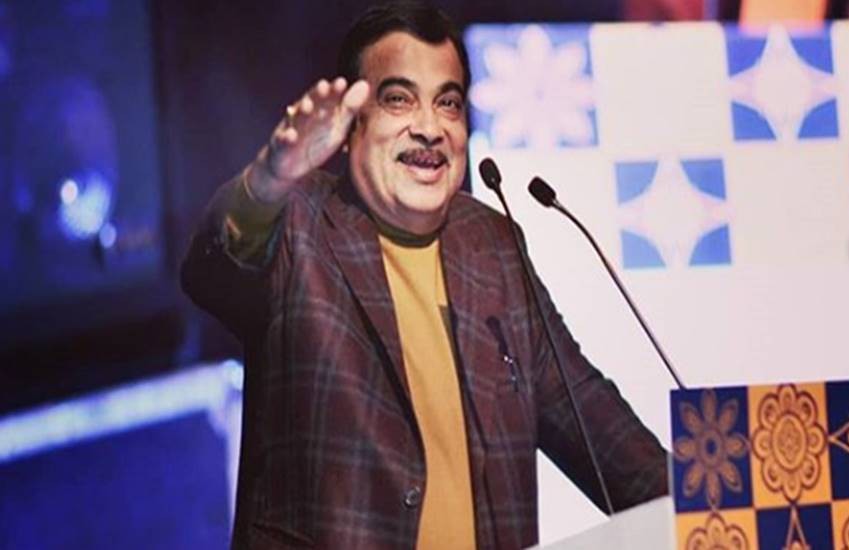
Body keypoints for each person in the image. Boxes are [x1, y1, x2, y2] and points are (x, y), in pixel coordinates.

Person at [181, 1, 668, 548]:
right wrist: (268, 180)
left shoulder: (494, 245)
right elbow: (210, 273)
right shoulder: (300, 220)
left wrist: (713, 506)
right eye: (399, 99)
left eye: (448, 103)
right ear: (352, 123)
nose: (431, 128)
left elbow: (593, 422)